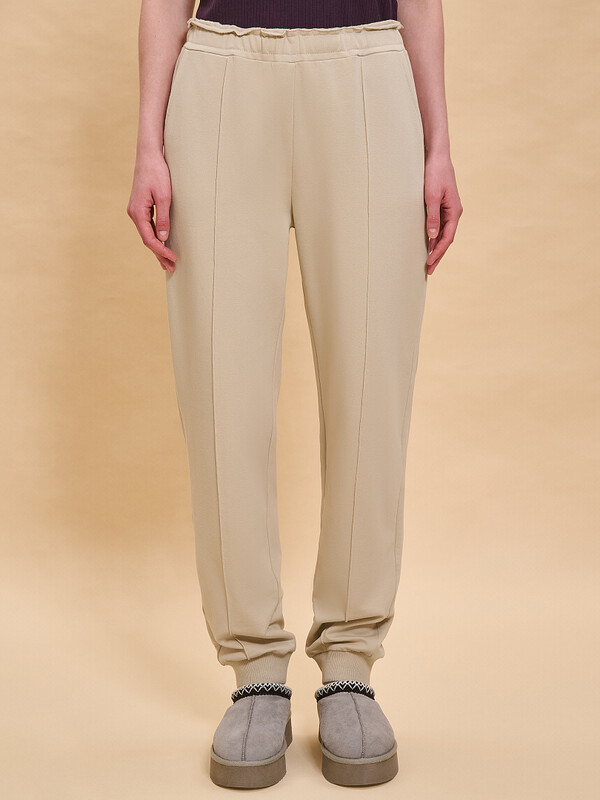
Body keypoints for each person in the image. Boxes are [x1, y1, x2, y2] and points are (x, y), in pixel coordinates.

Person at [127, 0, 462, 789]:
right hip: (220, 77)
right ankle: (254, 670)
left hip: (368, 72)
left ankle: (349, 664)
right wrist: (147, 141)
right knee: (221, 391)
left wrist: (439, 142)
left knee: (372, 388)